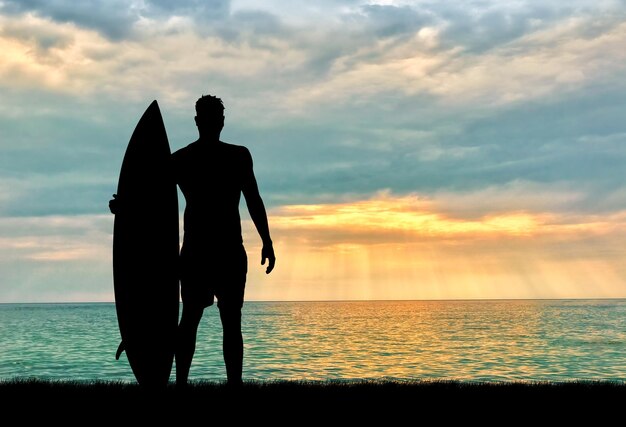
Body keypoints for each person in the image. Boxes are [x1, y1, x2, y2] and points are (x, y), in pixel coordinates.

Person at [111, 95, 275, 387]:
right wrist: (266, 241)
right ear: (206, 121)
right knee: (213, 323)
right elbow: (150, 195)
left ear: (204, 121)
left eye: (215, 118)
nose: (214, 123)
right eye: (213, 118)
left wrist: (267, 240)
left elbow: (253, 199)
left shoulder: (188, 159)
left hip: (205, 252)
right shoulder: (210, 158)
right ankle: (215, 385)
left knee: (199, 321)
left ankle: (187, 385)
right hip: (217, 252)